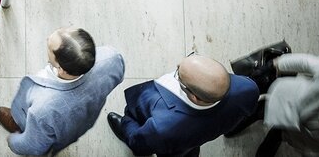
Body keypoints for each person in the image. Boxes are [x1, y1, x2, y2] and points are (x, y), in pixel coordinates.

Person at [0, 28, 124, 155]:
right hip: (82, 120)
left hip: (43, 127)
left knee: (39, 133)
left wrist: (14, 142)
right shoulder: (112, 57)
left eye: (50, 48)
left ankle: (19, 123)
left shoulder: (42, 109)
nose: (47, 39)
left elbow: (33, 145)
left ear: (61, 69)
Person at [108, 53, 259, 157]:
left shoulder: (163, 127)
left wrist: (127, 124)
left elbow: (139, 144)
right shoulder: (249, 89)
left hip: (171, 142)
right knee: (188, 148)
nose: (178, 64)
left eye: (178, 73)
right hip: (201, 133)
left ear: (194, 97)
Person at [230, 53, 319, 156]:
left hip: (301, 136)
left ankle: (274, 138)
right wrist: (276, 64)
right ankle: (239, 122)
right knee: (259, 110)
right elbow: (306, 62)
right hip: (286, 100)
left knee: (277, 136)